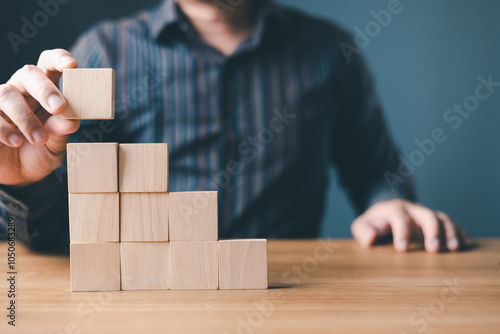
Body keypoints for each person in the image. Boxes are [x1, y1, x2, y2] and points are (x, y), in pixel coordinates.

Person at [0, 0, 469, 251]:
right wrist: (25, 183)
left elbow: (375, 169)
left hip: (288, 301)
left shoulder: (329, 50)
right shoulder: (104, 50)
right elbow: (58, 229)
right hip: (147, 307)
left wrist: (390, 205)